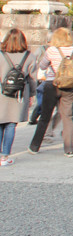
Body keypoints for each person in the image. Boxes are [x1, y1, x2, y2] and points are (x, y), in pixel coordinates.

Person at [28, 28, 73, 157]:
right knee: (68, 117)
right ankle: (69, 149)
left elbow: (42, 66)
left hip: (52, 84)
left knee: (45, 116)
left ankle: (35, 146)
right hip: (70, 87)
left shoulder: (51, 50)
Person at [1, 28, 35, 167]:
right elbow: (33, 78)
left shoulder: (1, 54)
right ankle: (5, 156)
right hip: (19, 94)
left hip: (1, 92)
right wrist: (32, 94)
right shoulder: (29, 56)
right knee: (11, 125)